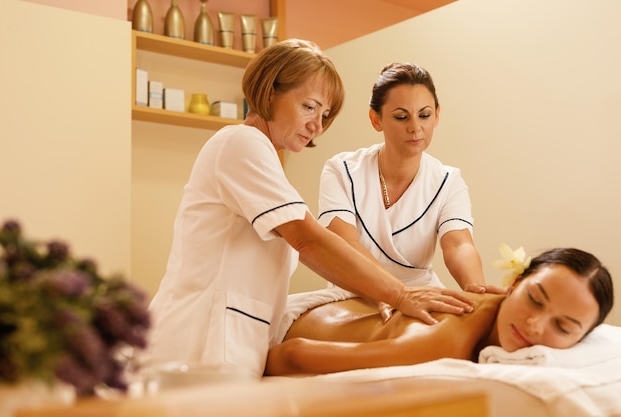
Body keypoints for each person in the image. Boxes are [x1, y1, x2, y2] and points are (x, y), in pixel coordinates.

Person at [146, 40, 475, 379]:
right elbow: (308, 240)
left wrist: (462, 290)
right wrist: (401, 294)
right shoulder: (241, 143)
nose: (317, 126)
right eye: (309, 107)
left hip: (233, 342)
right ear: (270, 92)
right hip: (197, 341)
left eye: (324, 115)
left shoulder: (265, 158)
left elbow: (457, 242)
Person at [318, 63, 502, 319]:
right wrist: (397, 294)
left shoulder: (448, 181)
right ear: (376, 119)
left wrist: (476, 290)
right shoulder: (343, 170)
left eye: (424, 115)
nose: (415, 127)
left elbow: (459, 244)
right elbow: (343, 244)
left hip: (424, 297)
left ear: (437, 115)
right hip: (355, 296)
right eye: (402, 117)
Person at [264, 247, 614, 376]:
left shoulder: (493, 316)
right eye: (535, 299)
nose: (536, 324)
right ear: (513, 284)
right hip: (292, 324)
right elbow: (291, 357)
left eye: (564, 327)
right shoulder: (443, 340)